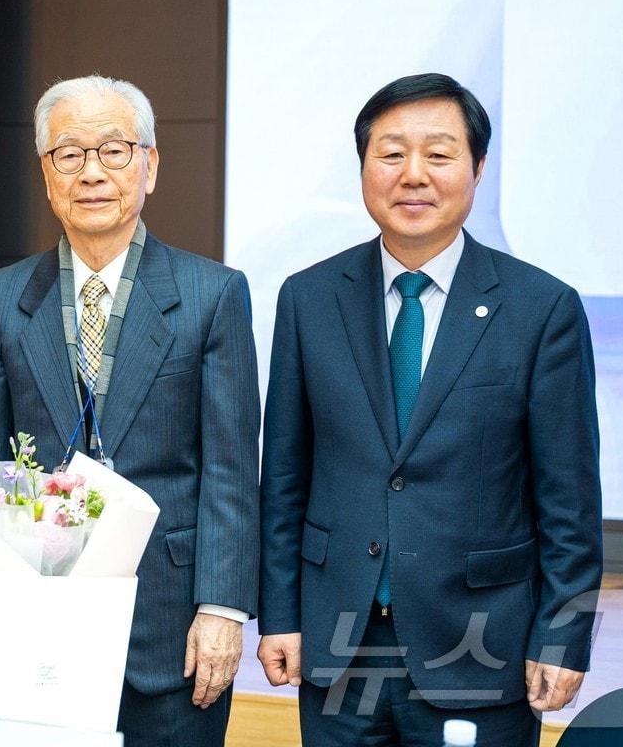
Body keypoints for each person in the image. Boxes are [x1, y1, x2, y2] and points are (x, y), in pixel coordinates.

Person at [256, 73, 602, 745]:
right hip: (339, 643)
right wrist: (280, 615)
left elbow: (570, 501)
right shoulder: (308, 299)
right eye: (391, 154)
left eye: (439, 155)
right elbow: (286, 479)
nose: (413, 175)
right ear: (364, 167)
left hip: (479, 648)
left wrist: (562, 635)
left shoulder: (541, 310)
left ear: (476, 168)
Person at [0, 75, 261, 746]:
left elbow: (232, 469)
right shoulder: (0, 299)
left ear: (149, 165)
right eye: (69, 154)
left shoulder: (213, 294)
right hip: (40, 621)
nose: (92, 171)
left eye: (114, 151)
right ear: (46, 174)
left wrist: (221, 609)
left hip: (172, 626)